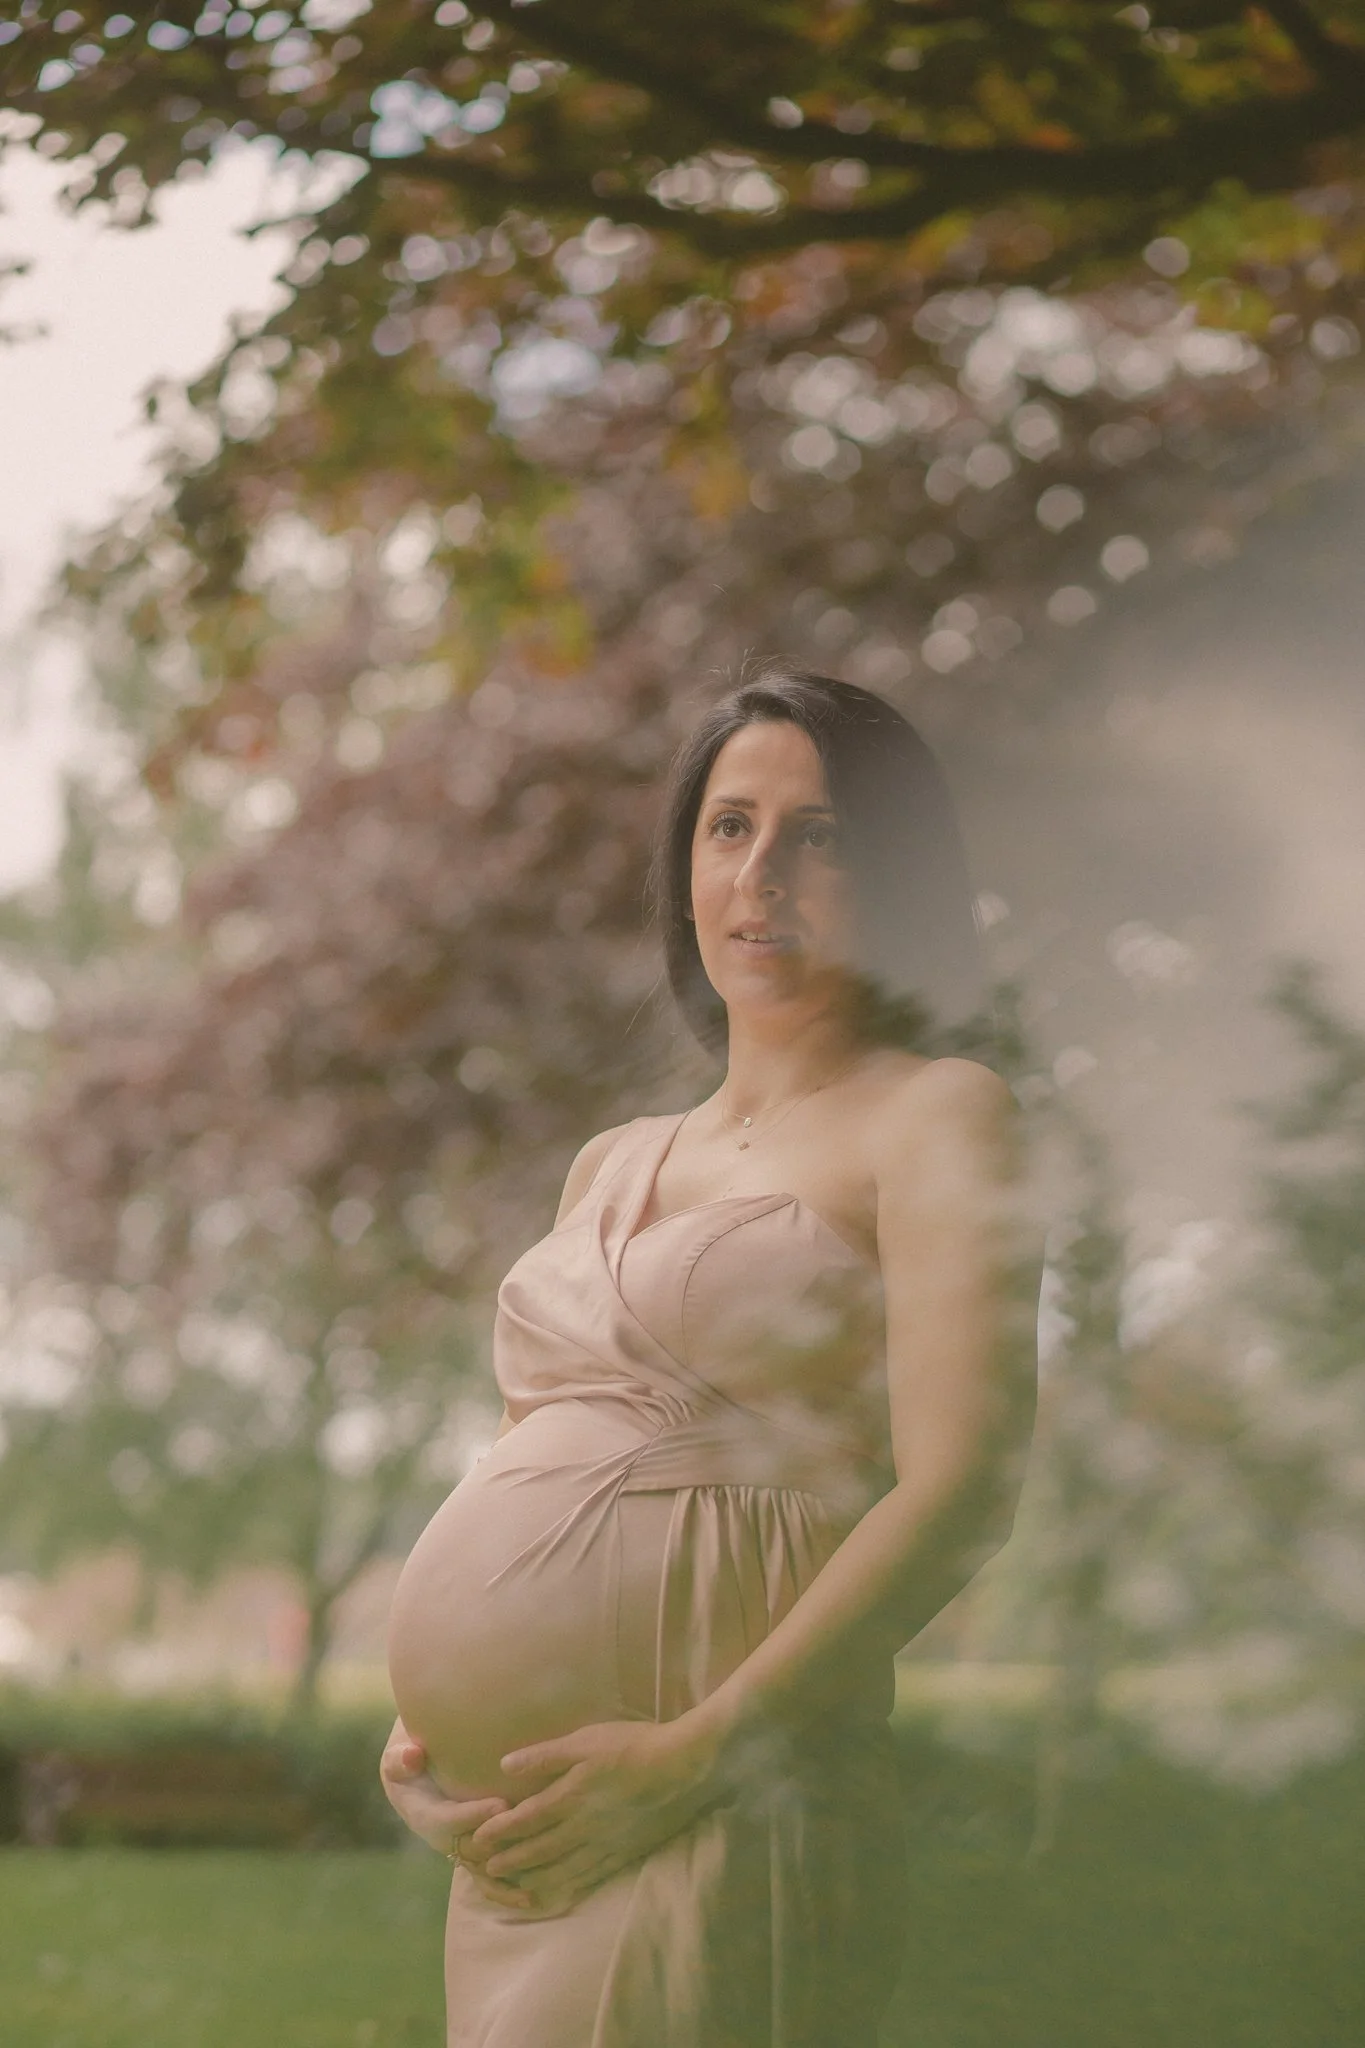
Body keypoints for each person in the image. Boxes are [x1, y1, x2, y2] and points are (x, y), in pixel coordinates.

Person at [381, 665, 1037, 2046]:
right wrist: (437, 1722)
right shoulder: (608, 1165)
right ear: (684, 870)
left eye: (825, 835)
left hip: (735, 1786)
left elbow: (965, 1484)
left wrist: (695, 1757)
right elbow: (541, 1462)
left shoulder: (938, 1116)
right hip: (527, 1828)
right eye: (730, 827)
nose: (765, 875)